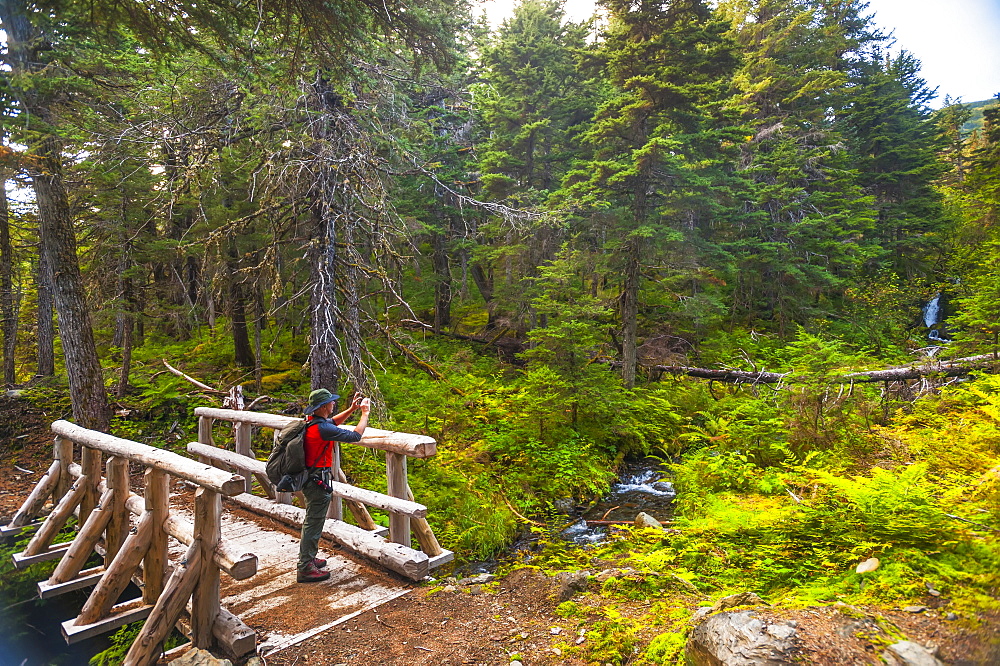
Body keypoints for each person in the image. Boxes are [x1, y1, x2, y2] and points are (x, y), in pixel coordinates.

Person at [297, 388, 370, 583]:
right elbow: (355, 436)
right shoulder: (321, 428)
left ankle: (309, 558)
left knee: (313, 520)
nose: (333, 404)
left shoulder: (313, 423)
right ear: (322, 407)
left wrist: (352, 409)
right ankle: (305, 567)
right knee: (313, 522)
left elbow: (334, 422)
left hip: (311, 478)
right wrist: (365, 414)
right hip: (316, 481)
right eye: (330, 402)